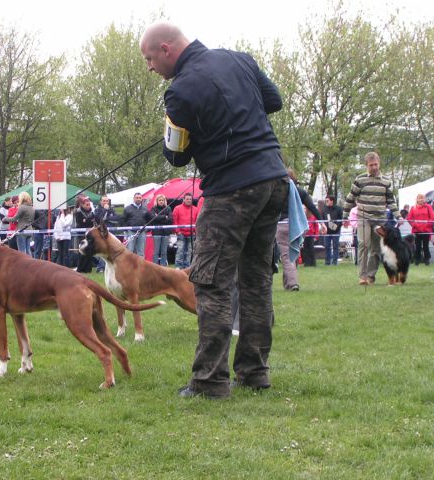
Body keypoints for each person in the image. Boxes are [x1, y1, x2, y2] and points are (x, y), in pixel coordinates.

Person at [141, 22, 289, 398]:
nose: (150, 67)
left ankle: (209, 381)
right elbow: (273, 101)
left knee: (210, 282)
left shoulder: (180, 92)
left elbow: (175, 156)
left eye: (149, 59)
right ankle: (255, 372)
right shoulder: (240, 60)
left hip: (231, 190)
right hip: (273, 180)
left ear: (166, 48)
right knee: (256, 280)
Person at [343, 152, 401, 285]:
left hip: (380, 218)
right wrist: (345, 216)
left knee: (375, 249)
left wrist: (398, 216)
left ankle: (371, 276)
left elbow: (391, 201)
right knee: (363, 244)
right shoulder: (360, 179)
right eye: (371, 165)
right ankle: (362, 277)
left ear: (379, 164)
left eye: (376, 164)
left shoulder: (386, 181)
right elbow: (350, 198)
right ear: (366, 166)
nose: (374, 167)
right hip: (363, 217)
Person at [276, 170, 323, 291]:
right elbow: (312, 207)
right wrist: (322, 222)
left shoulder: (277, 191)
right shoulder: (300, 192)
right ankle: (287, 283)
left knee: (287, 257)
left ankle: (292, 283)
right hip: (296, 226)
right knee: (294, 253)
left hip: (281, 225)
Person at [93, 195, 121, 271]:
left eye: (107, 201)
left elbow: (117, 218)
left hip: (111, 232)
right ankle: (100, 267)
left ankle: (111, 266)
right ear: (100, 201)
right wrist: (105, 210)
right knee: (103, 249)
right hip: (101, 233)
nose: (106, 202)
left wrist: (107, 218)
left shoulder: (111, 209)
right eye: (104, 201)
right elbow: (99, 219)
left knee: (111, 249)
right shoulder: (97, 209)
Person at [171, 193, 198, 269]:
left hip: (191, 233)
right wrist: (177, 231)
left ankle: (187, 267)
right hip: (181, 233)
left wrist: (195, 231)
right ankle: (178, 266)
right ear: (183, 199)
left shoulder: (195, 209)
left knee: (189, 251)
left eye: (190, 199)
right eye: (187, 199)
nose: (189, 200)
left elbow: (197, 221)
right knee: (180, 250)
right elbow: (174, 221)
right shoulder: (177, 208)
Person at [407, 193, 434, 266]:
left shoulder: (428, 207)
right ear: (417, 199)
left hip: (426, 230)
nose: (421, 199)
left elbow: (432, 218)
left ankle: (427, 260)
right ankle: (417, 260)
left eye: (423, 198)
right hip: (416, 230)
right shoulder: (413, 208)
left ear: (424, 199)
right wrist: (414, 225)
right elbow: (409, 218)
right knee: (417, 246)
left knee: (426, 246)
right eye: (420, 198)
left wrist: (427, 225)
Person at [4, 191, 35, 256]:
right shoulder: (32, 207)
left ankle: (23, 265)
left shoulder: (22, 207)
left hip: (22, 230)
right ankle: (29, 264)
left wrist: (6, 218)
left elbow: (14, 219)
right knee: (28, 250)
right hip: (30, 230)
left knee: (22, 251)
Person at [122, 193, 151, 258]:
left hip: (142, 232)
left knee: (141, 251)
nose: (138, 199)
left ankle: (140, 267)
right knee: (130, 250)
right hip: (131, 232)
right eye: (137, 197)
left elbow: (149, 219)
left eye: (140, 198)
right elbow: (123, 220)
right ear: (134, 199)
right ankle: (129, 267)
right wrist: (125, 230)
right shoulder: (127, 208)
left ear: (141, 199)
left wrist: (147, 229)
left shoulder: (145, 209)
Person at [73, 196, 96, 273]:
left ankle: (88, 269)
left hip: (90, 235)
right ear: (82, 205)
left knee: (89, 252)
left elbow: (92, 221)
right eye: (87, 205)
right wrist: (88, 221)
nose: (88, 206)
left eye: (89, 204)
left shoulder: (92, 212)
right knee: (82, 252)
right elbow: (81, 223)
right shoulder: (78, 212)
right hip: (81, 235)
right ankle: (80, 269)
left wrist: (86, 220)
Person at [149, 194, 173, 266]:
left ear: (164, 201)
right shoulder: (153, 208)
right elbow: (153, 218)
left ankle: (163, 266)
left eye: (162, 200)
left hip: (166, 233)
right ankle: (155, 266)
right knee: (156, 251)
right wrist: (164, 217)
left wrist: (158, 217)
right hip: (156, 233)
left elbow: (170, 219)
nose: (161, 201)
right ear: (157, 201)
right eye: (160, 200)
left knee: (164, 251)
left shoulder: (168, 208)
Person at [323, 195, 344, 266]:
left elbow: (341, 220)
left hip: (336, 230)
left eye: (327, 201)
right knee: (326, 246)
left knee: (335, 246)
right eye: (325, 201)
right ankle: (327, 262)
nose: (326, 202)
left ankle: (335, 262)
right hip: (327, 231)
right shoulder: (324, 209)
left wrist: (335, 227)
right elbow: (322, 219)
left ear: (332, 201)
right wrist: (324, 227)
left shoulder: (338, 209)